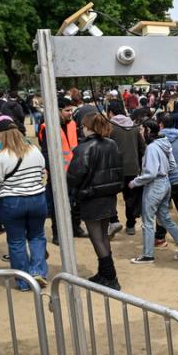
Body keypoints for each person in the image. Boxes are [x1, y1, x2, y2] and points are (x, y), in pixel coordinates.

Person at [67, 114, 124, 289]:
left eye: (83, 125)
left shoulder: (84, 148)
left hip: (91, 196)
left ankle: (110, 275)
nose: (81, 128)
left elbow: (75, 175)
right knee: (103, 235)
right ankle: (104, 272)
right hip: (109, 195)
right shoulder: (111, 144)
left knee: (96, 236)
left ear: (88, 127)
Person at [0, 119, 48, 290]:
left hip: (11, 201)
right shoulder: (35, 151)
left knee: (16, 241)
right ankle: (38, 272)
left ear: (2, 135)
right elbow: (40, 174)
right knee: (37, 236)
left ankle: (23, 281)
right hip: (37, 198)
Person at [128, 120, 178, 264]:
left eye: (141, 130)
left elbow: (150, 173)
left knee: (148, 221)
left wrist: (135, 182)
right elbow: (173, 165)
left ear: (148, 131)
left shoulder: (151, 148)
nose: (140, 132)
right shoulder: (164, 144)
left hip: (154, 186)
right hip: (165, 183)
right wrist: (163, 174)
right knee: (165, 218)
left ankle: (148, 255)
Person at [39, 96, 85, 242]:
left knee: (76, 202)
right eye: (67, 110)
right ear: (57, 111)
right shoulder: (47, 127)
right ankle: (57, 233)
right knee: (56, 204)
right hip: (57, 173)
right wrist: (52, 170)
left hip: (74, 171)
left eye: (71, 110)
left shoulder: (73, 124)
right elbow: (45, 152)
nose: (71, 112)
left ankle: (75, 228)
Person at [107, 99, 145, 236]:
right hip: (133, 169)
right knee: (130, 197)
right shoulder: (134, 126)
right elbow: (143, 148)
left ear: (110, 112)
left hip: (115, 170)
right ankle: (130, 225)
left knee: (110, 195)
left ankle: (114, 221)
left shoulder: (110, 127)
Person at [154, 112, 178, 245]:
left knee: (162, 210)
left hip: (165, 179)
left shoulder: (158, 139)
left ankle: (160, 237)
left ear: (160, 124)